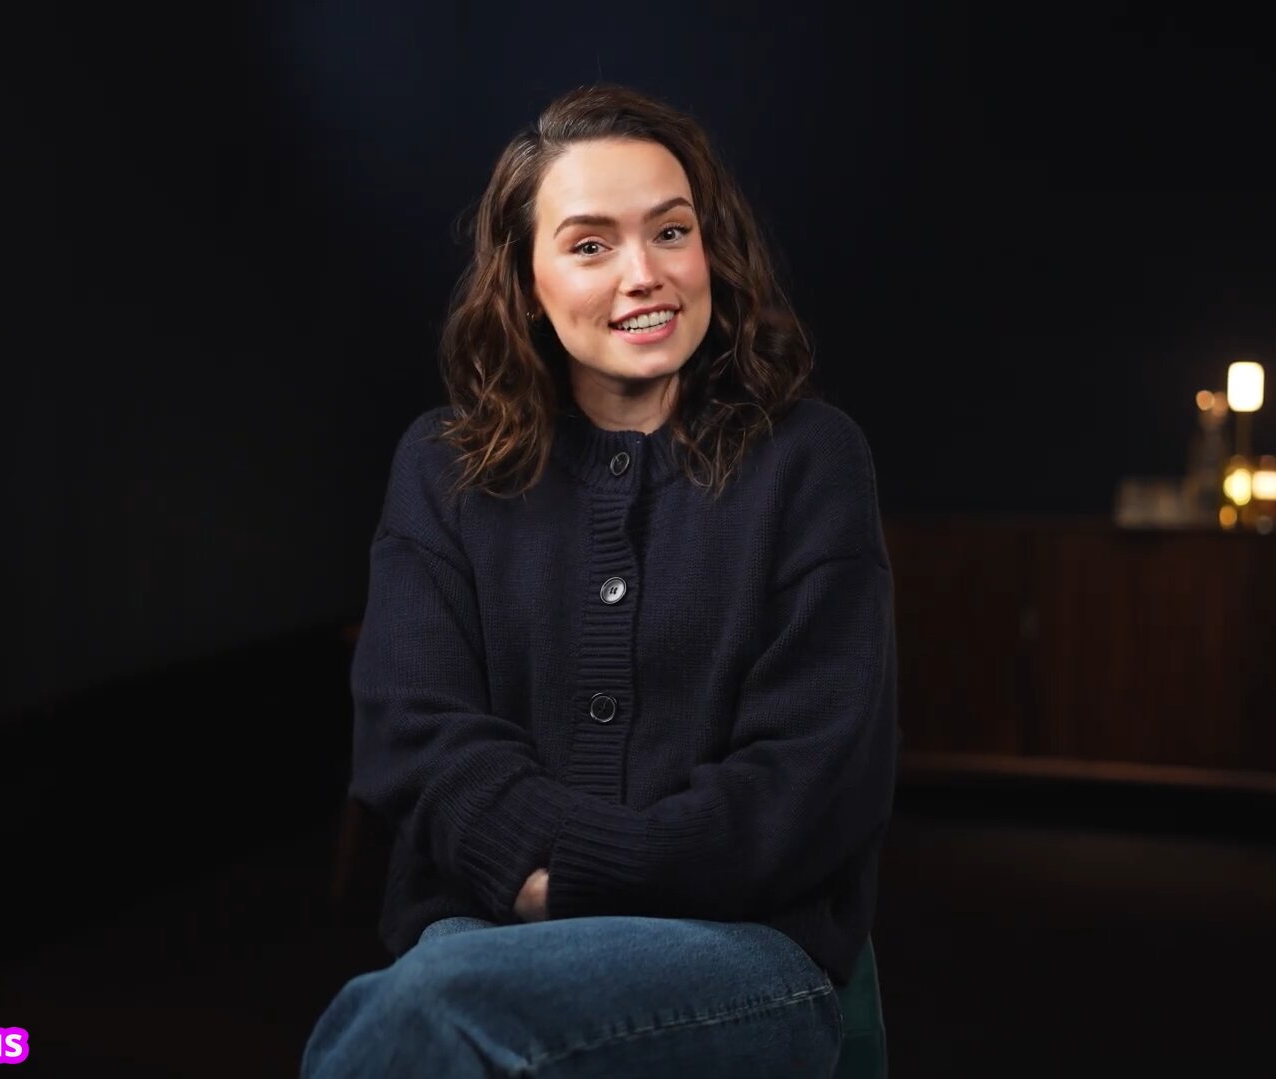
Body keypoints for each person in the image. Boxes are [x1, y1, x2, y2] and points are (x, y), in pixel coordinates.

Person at [302, 82, 899, 1078]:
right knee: (414, 1007)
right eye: (589, 244)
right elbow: (413, 734)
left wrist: (564, 881)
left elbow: (810, 780)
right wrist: (552, 885)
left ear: (710, 248)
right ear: (524, 280)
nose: (643, 274)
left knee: (426, 1014)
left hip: (742, 950)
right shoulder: (443, 467)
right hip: (483, 933)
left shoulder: (811, 458)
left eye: (670, 231)